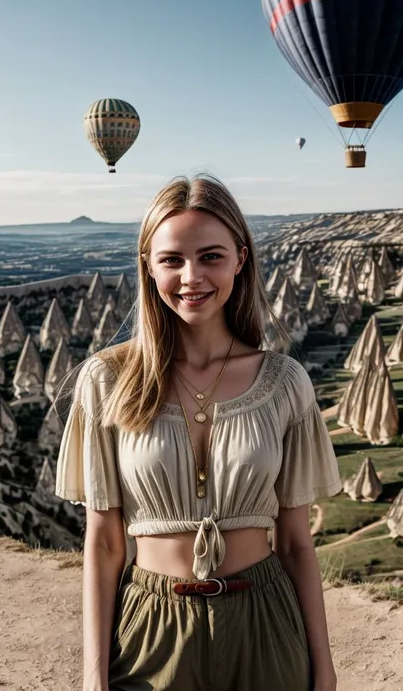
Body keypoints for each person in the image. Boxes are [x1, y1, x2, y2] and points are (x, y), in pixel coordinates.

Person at [55, 174, 342, 691]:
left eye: (211, 256)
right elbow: (103, 544)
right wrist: (93, 678)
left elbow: (298, 544)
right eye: (172, 259)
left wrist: (324, 669)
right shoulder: (107, 381)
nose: (192, 276)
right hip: (151, 625)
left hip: (266, 619)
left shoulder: (283, 382)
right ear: (148, 267)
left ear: (241, 258)